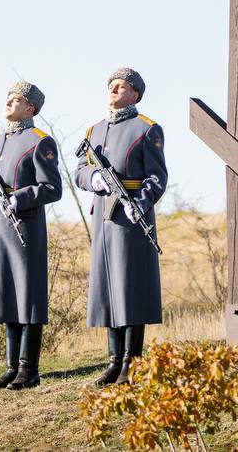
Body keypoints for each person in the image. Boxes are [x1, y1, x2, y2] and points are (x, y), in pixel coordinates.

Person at [75, 67, 167, 385]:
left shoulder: (147, 129)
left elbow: (157, 177)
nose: (114, 89)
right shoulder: (94, 130)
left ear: (136, 94)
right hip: (103, 212)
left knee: (131, 287)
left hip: (131, 214)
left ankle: (132, 360)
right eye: (111, 84)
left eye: (122, 86)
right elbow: (79, 172)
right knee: (107, 287)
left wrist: (140, 202)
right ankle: (114, 361)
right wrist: (93, 178)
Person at [0, 81, 62, 390]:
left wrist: (19, 198)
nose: (9, 102)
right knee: (9, 294)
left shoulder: (40, 141)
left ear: (30, 108)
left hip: (24, 225)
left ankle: (29, 368)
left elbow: (52, 188)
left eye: (17, 99)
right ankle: (11, 367)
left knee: (28, 296)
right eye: (8, 97)